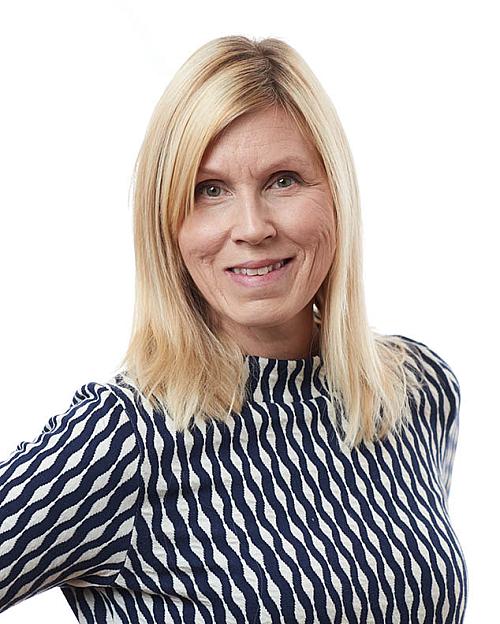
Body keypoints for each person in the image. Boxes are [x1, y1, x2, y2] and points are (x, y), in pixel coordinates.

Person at [0, 35, 468, 623]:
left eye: (283, 180)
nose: (252, 226)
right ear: (166, 223)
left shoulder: (415, 388)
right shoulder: (126, 439)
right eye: (210, 190)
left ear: (337, 193)